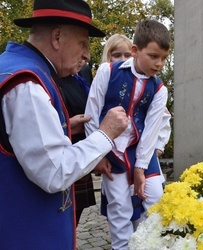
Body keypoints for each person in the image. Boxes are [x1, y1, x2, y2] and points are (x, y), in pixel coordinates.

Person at [0, 1, 128, 249]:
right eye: (83, 43)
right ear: (57, 37)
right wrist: (106, 133)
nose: (87, 55)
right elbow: (54, 172)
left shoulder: (12, 67)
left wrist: (64, 128)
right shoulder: (28, 84)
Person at [85, 20, 171, 250]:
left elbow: (152, 128)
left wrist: (141, 167)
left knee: (154, 199)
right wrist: (97, 155)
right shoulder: (107, 72)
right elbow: (92, 115)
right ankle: (122, 247)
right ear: (135, 51)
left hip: (142, 150)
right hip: (111, 150)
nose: (159, 63)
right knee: (119, 207)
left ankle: (147, 245)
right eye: (153, 56)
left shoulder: (160, 89)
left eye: (163, 58)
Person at [56, 61, 97, 225]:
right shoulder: (51, 75)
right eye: (80, 45)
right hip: (63, 155)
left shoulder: (84, 73)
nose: (84, 57)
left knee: (76, 213)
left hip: (83, 153)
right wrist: (67, 125)